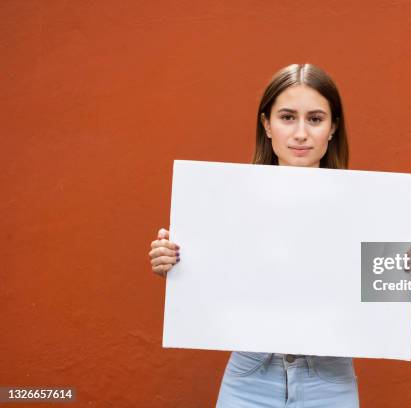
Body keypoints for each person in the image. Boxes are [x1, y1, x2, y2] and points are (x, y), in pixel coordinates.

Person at [149, 63, 361, 407]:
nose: (301, 133)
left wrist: (403, 270)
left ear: (333, 128)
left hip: (329, 382)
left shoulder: (368, 208)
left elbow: (370, 296)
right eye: (288, 117)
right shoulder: (226, 203)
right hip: (249, 380)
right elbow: (213, 285)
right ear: (267, 124)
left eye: (316, 119)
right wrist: (174, 263)